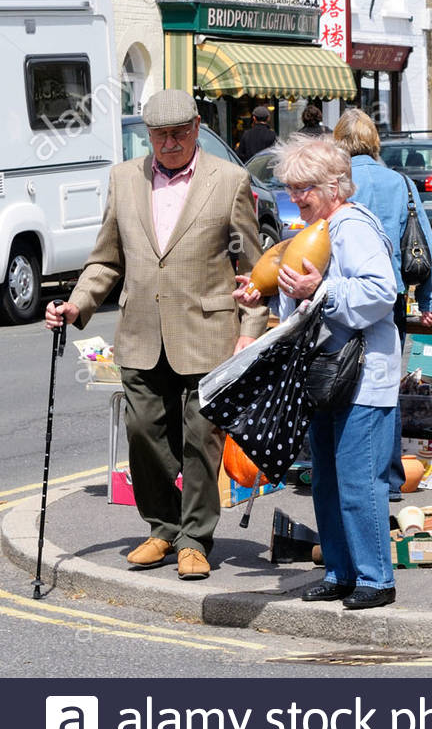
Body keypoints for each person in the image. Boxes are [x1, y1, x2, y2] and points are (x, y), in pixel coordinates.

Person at [45, 90, 267, 580]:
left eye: (178, 133)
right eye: (159, 135)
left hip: (209, 333)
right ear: (147, 135)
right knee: (143, 432)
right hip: (141, 332)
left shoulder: (229, 180)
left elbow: (253, 270)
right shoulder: (124, 179)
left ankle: (194, 539)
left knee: (200, 439)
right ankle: (162, 527)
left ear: (195, 128)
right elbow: (106, 259)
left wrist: (249, 334)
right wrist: (76, 304)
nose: (168, 143)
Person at [233, 136, 400, 610]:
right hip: (327, 373)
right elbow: (301, 298)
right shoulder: (317, 227)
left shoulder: (353, 227)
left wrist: (322, 288)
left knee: (357, 482)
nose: (295, 197)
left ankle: (375, 579)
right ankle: (340, 572)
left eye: (303, 188)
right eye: (290, 188)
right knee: (325, 480)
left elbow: (380, 293)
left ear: (334, 187)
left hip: (362, 375)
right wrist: (265, 292)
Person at [333, 109, 432, 501]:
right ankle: (389, 476)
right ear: (375, 141)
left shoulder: (337, 186)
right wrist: (429, 299)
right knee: (384, 384)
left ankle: (346, 469)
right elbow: (423, 244)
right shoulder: (401, 183)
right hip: (389, 295)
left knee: (339, 380)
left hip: (342, 294)